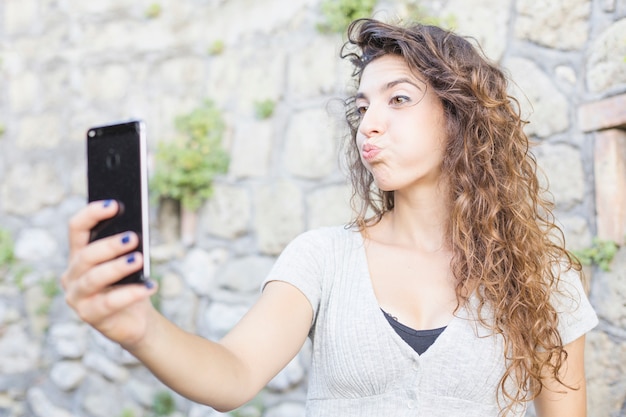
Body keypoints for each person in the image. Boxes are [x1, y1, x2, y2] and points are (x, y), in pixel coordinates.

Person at [62, 18, 598, 417]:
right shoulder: (322, 257)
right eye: (363, 108)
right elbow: (233, 374)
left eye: (399, 100)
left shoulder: (543, 279)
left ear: (460, 119)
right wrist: (142, 330)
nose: (370, 125)